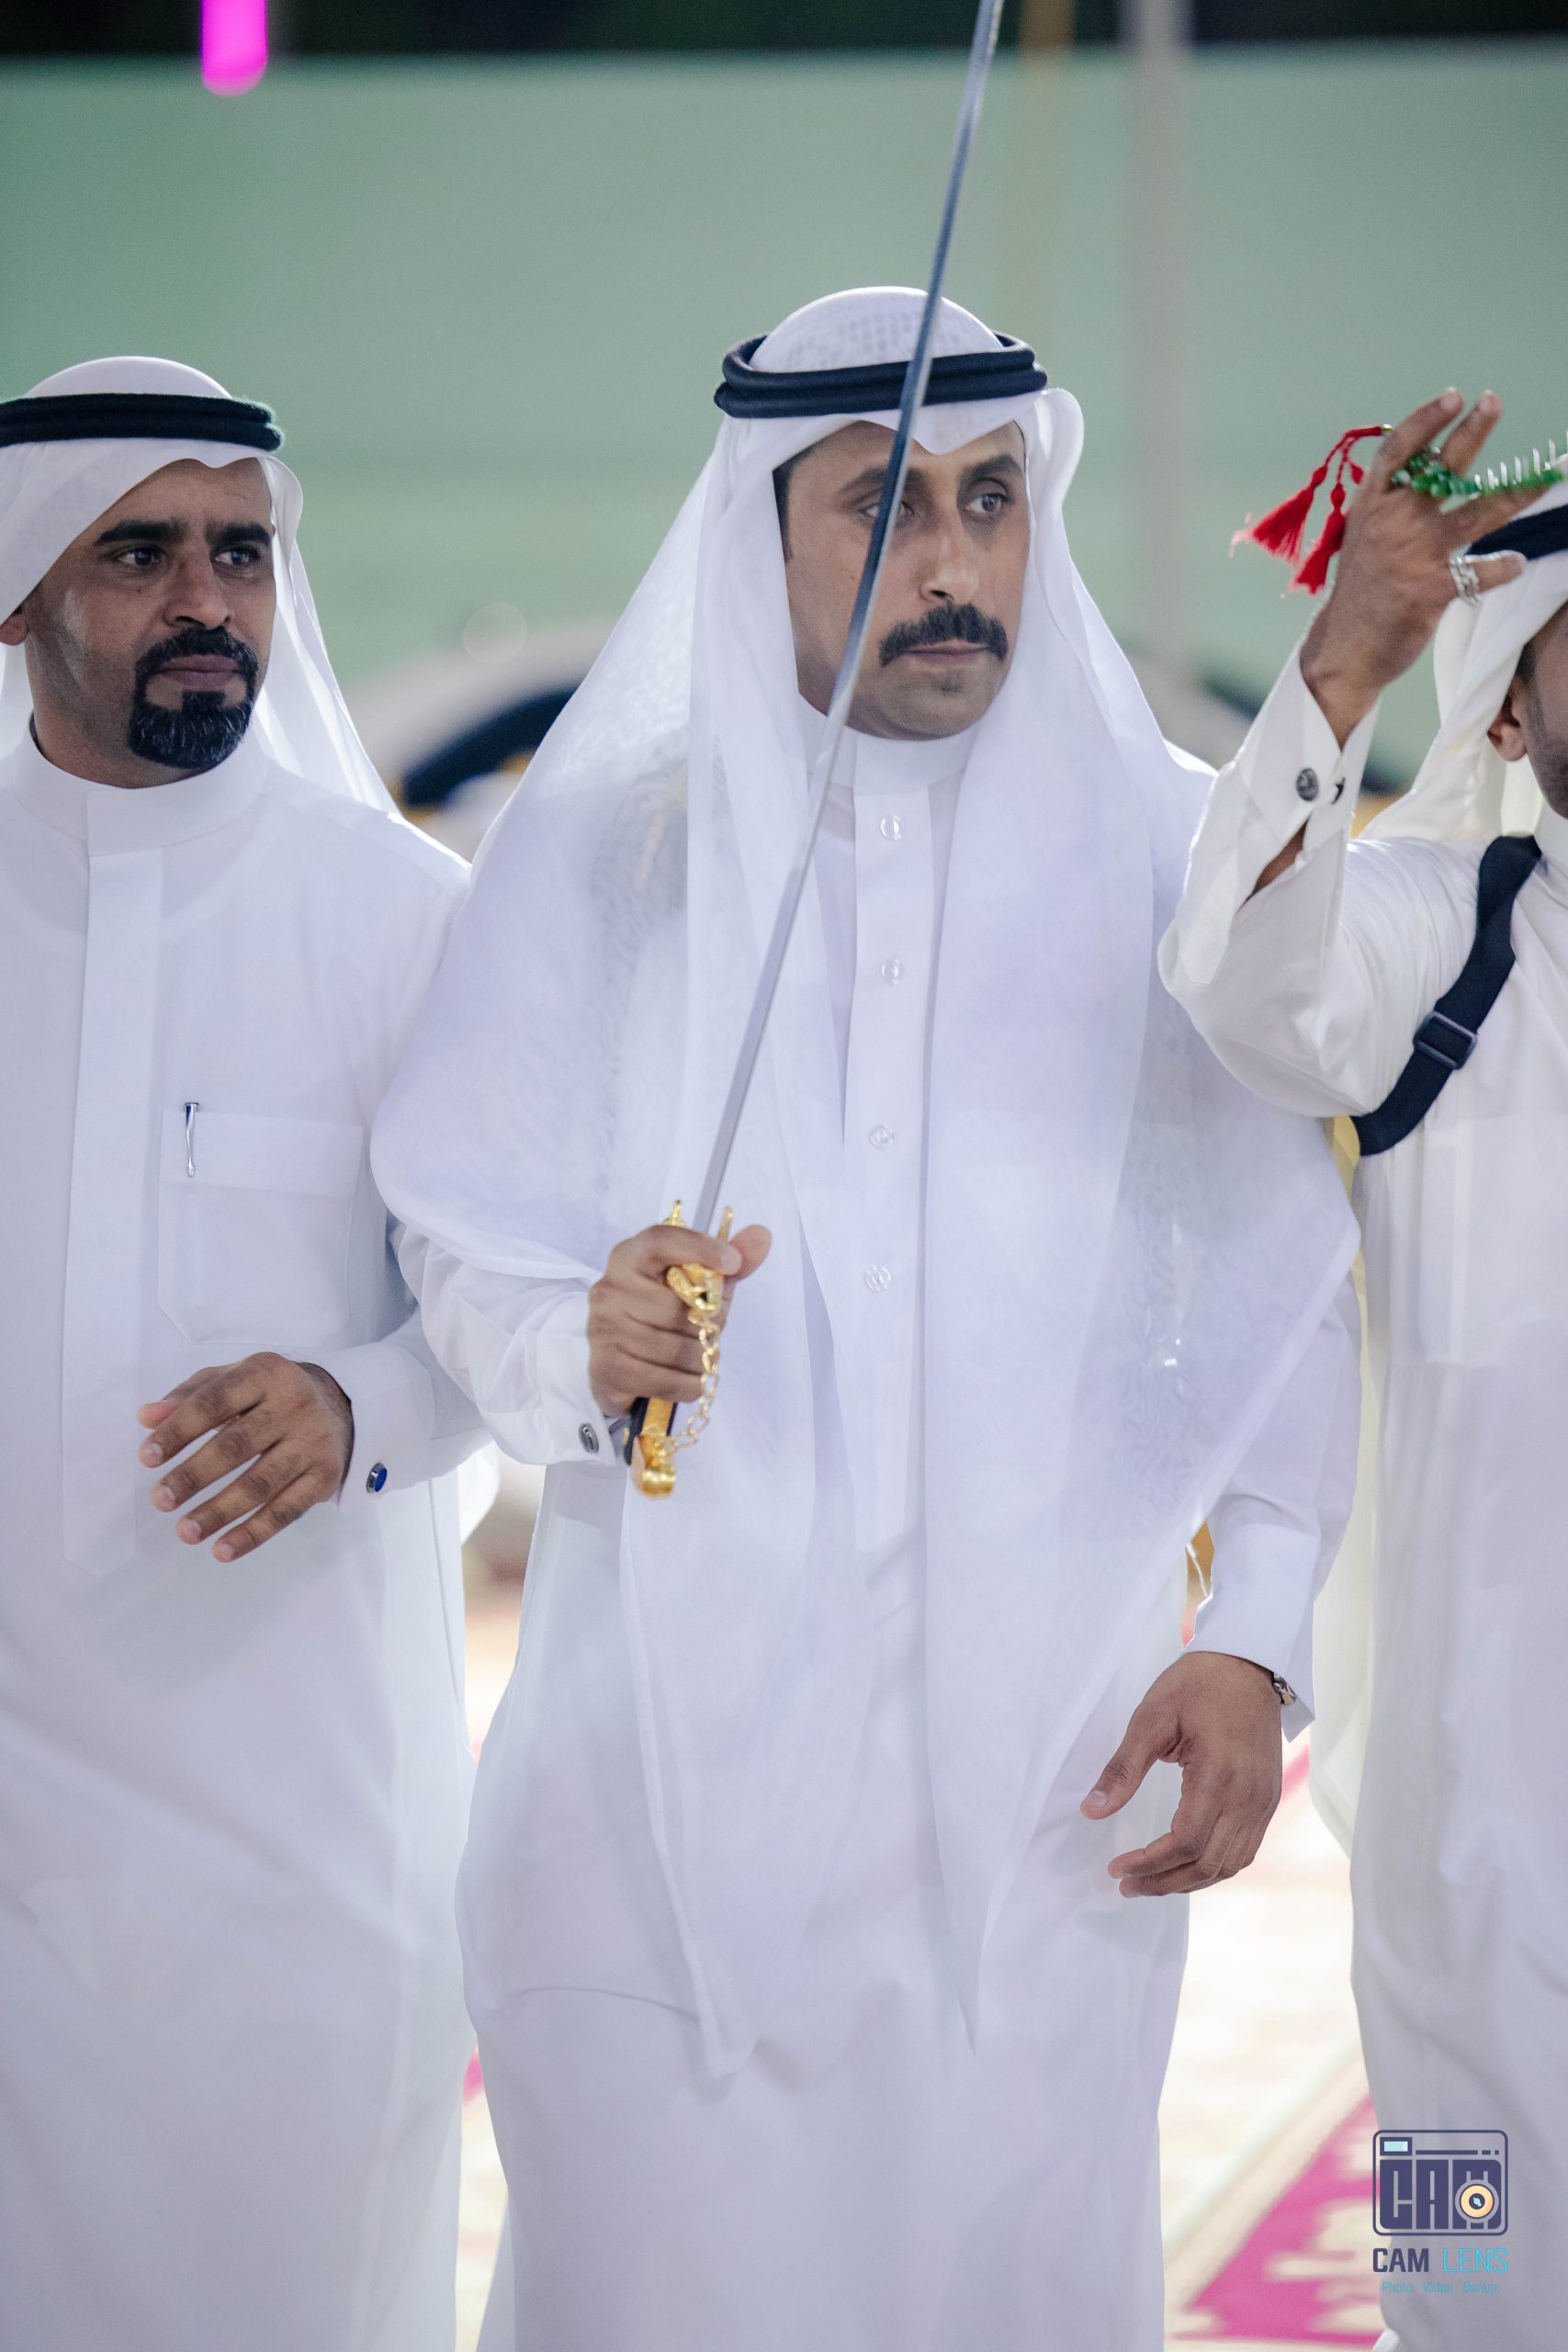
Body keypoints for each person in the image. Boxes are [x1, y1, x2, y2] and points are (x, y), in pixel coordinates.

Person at [373, 288, 1361, 2352]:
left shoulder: (1162, 852)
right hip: (657, 1805)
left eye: (991, 499)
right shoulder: (613, 859)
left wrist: (1257, 1633)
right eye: (885, 505)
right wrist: (579, 1347)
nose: (951, 559)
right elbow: (461, 1248)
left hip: (1044, 1806)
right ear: (762, 535)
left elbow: (1278, 1283)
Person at [0, 356, 491, 2352]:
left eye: (241, 551)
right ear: (22, 590)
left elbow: (503, 1323)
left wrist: (357, 1402)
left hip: (296, 1814)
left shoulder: (404, 918)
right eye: (140, 554)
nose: (206, 598)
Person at [1163, 391, 1563, 2352]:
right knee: (1464, 2273)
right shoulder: (1445, 939)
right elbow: (1241, 990)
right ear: (1509, 707)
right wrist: (1342, 666)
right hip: (1479, 1809)